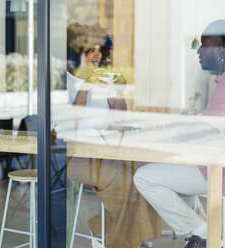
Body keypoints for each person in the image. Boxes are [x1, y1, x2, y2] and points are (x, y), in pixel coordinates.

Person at [133, 19, 225, 248]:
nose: (198, 52)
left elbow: (204, 131)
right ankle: (200, 237)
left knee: (144, 177)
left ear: (217, 48)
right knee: (172, 176)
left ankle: (204, 234)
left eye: (203, 45)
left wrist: (163, 132)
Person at [66, 24, 161, 248]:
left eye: (99, 49)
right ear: (77, 52)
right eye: (90, 50)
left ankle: (107, 231)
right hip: (80, 157)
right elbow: (71, 123)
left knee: (149, 173)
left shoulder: (102, 77)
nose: (96, 55)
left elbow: (120, 121)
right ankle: (132, 236)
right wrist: (87, 86)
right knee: (125, 179)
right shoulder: (68, 82)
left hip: (110, 150)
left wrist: (116, 93)